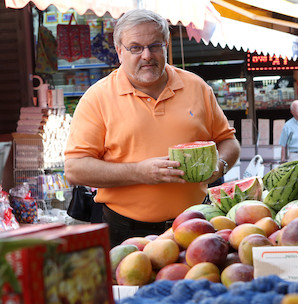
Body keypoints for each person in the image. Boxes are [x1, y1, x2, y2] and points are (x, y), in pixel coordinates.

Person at [64, 9, 240, 247]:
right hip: (125, 231)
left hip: (195, 223)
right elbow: (75, 169)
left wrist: (220, 167)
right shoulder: (97, 98)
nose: (147, 55)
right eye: (135, 47)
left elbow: (228, 141)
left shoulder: (196, 87)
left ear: (166, 45)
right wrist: (139, 172)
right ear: (119, 51)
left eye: (155, 46)